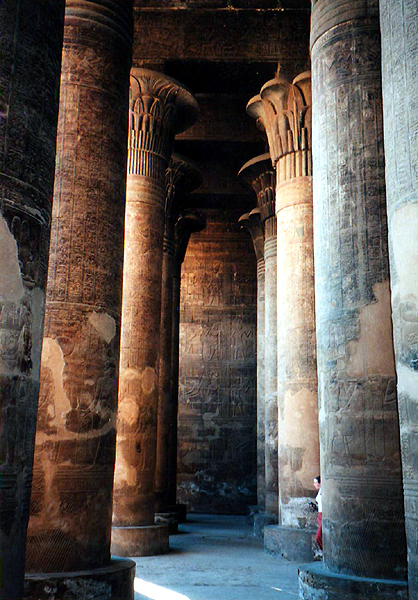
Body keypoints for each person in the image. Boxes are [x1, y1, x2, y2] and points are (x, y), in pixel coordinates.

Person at [313, 475, 322, 550]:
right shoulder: (319, 491)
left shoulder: (323, 491)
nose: (314, 484)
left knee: (318, 536)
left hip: (323, 515)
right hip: (319, 514)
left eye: (315, 482)